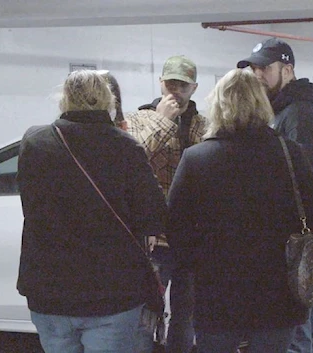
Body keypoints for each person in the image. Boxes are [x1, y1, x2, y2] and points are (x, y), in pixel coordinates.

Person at [166, 68, 313, 353]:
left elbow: (175, 228)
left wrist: (197, 263)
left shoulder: (196, 159)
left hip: (216, 293)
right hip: (277, 294)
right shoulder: (288, 153)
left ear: (217, 105)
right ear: (262, 103)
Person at [16, 70, 168, 353]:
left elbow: (30, 202)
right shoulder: (126, 147)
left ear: (64, 99)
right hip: (112, 293)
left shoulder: (34, 141)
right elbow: (154, 214)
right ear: (107, 100)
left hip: (49, 290)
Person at [237, 37, 313, 353]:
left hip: (294, 242)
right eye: (252, 68)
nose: (256, 74)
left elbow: (304, 179)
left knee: (296, 333)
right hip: (297, 241)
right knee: (312, 323)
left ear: (288, 69)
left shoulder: (299, 114)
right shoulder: (286, 111)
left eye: (264, 67)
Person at [125, 55, 205, 352]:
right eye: (170, 83)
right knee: (147, 314)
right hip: (153, 238)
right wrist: (162, 120)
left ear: (193, 88)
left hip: (190, 238)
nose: (175, 91)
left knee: (186, 315)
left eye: (182, 85)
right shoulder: (139, 119)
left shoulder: (203, 125)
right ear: (161, 83)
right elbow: (131, 162)